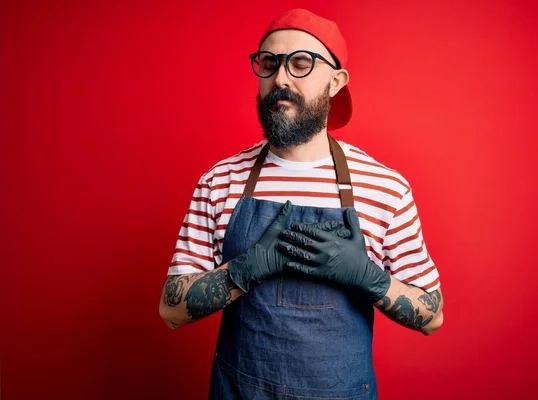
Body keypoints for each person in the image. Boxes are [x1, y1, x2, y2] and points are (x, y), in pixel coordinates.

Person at [159, 8, 444, 399]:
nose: (280, 78)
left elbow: (432, 315)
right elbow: (170, 309)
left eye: (300, 64)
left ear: (335, 81)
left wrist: (366, 277)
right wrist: (244, 269)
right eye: (269, 63)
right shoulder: (221, 180)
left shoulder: (384, 187)